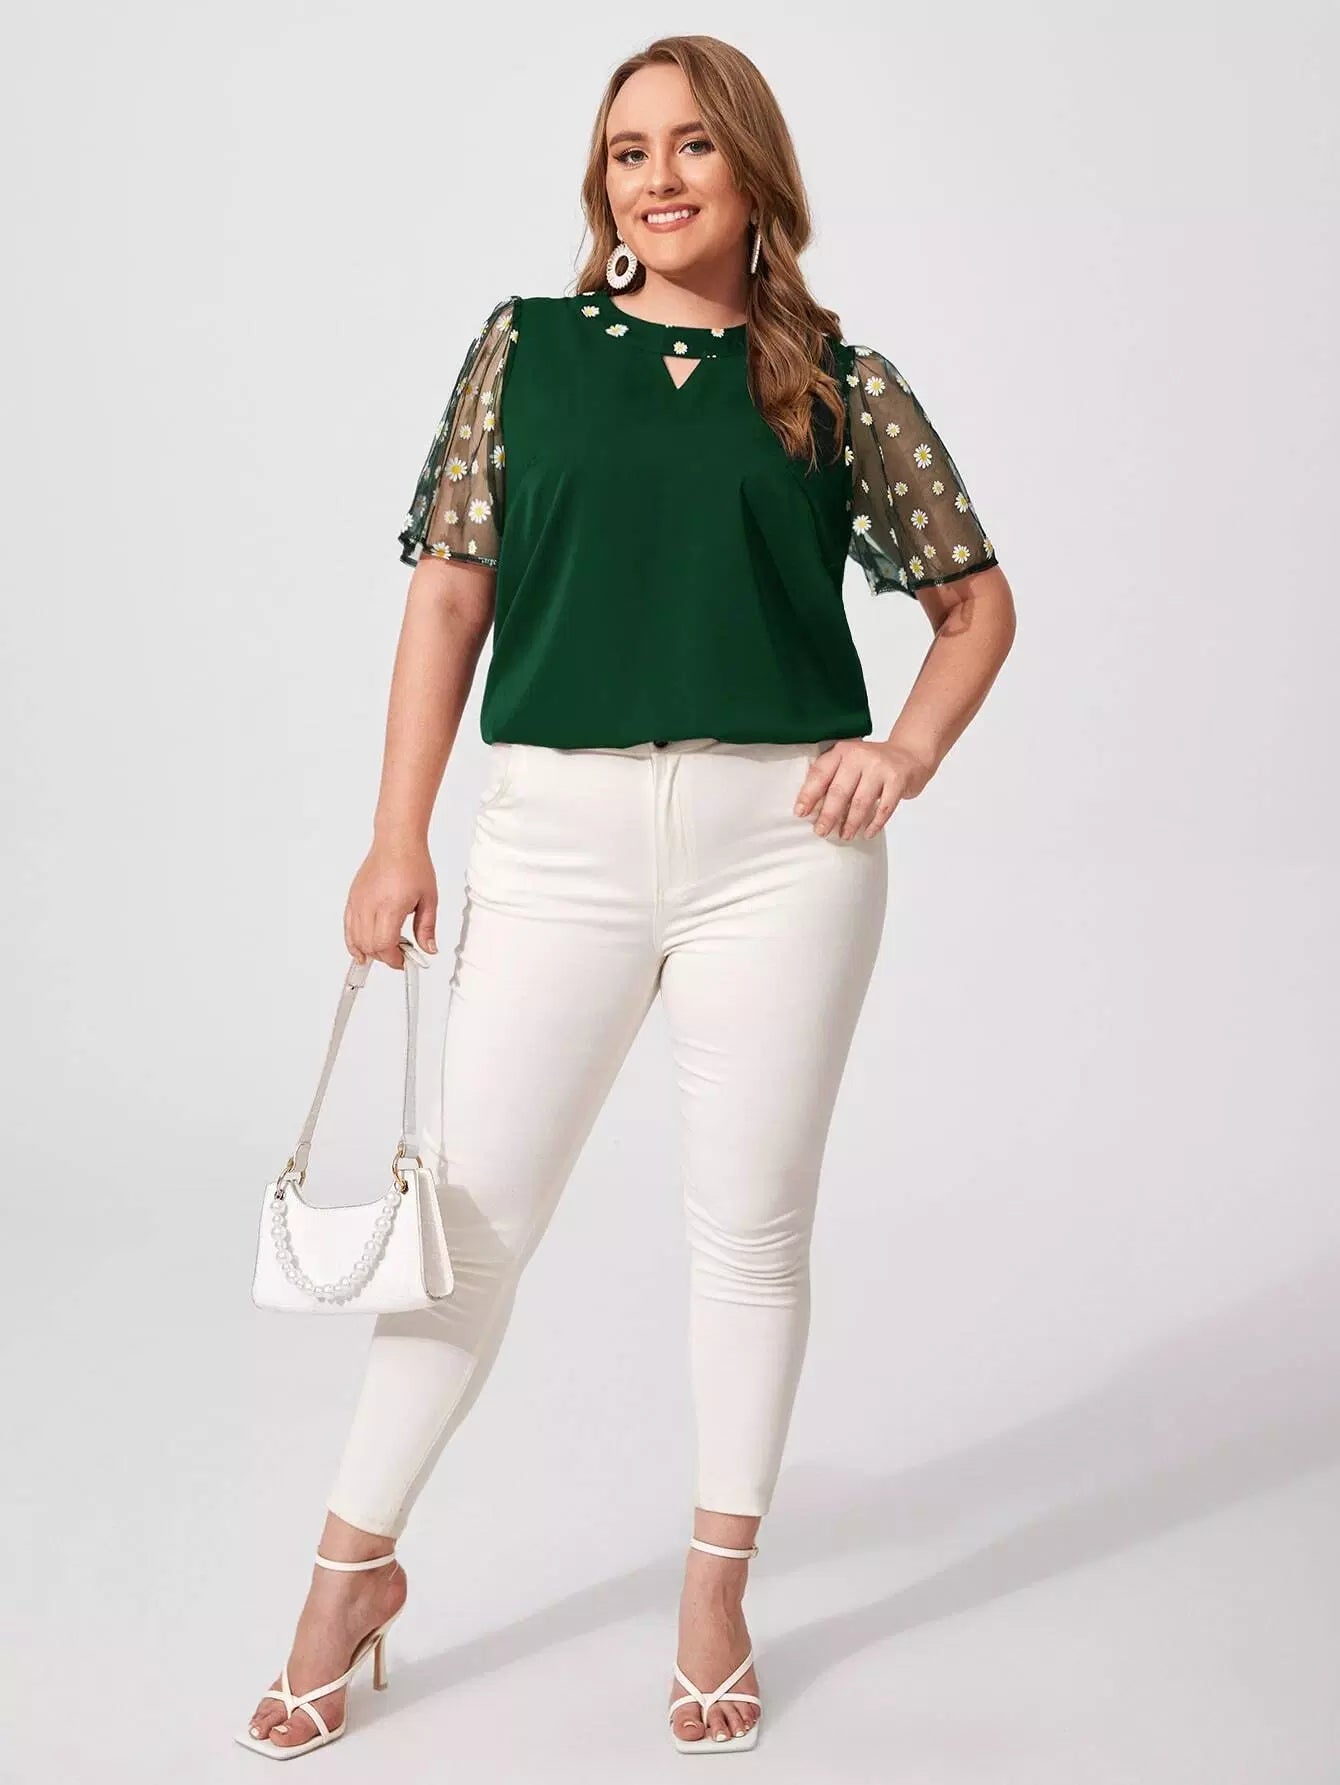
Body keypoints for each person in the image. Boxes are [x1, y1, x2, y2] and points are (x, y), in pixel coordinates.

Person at [237, 31, 1016, 1761]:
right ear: (601, 186)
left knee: (750, 1231)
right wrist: (395, 836)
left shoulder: (836, 384)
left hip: (783, 854)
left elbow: (975, 604)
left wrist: (904, 752)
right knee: (471, 1229)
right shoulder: (527, 352)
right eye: (626, 152)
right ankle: (345, 1578)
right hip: (557, 840)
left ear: (754, 171)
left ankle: (716, 1588)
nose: (656, 179)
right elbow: (451, 596)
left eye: (690, 147)